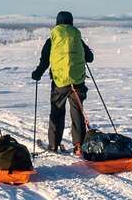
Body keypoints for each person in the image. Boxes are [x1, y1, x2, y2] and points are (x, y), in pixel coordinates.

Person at [31, 11, 95, 157]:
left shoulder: (52, 39)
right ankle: (79, 146)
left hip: (59, 83)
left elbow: (44, 61)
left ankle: (53, 145)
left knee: (57, 112)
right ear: (71, 22)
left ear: (57, 23)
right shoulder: (77, 38)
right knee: (77, 112)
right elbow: (90, 58)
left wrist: (37, 74)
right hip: (77, 82)